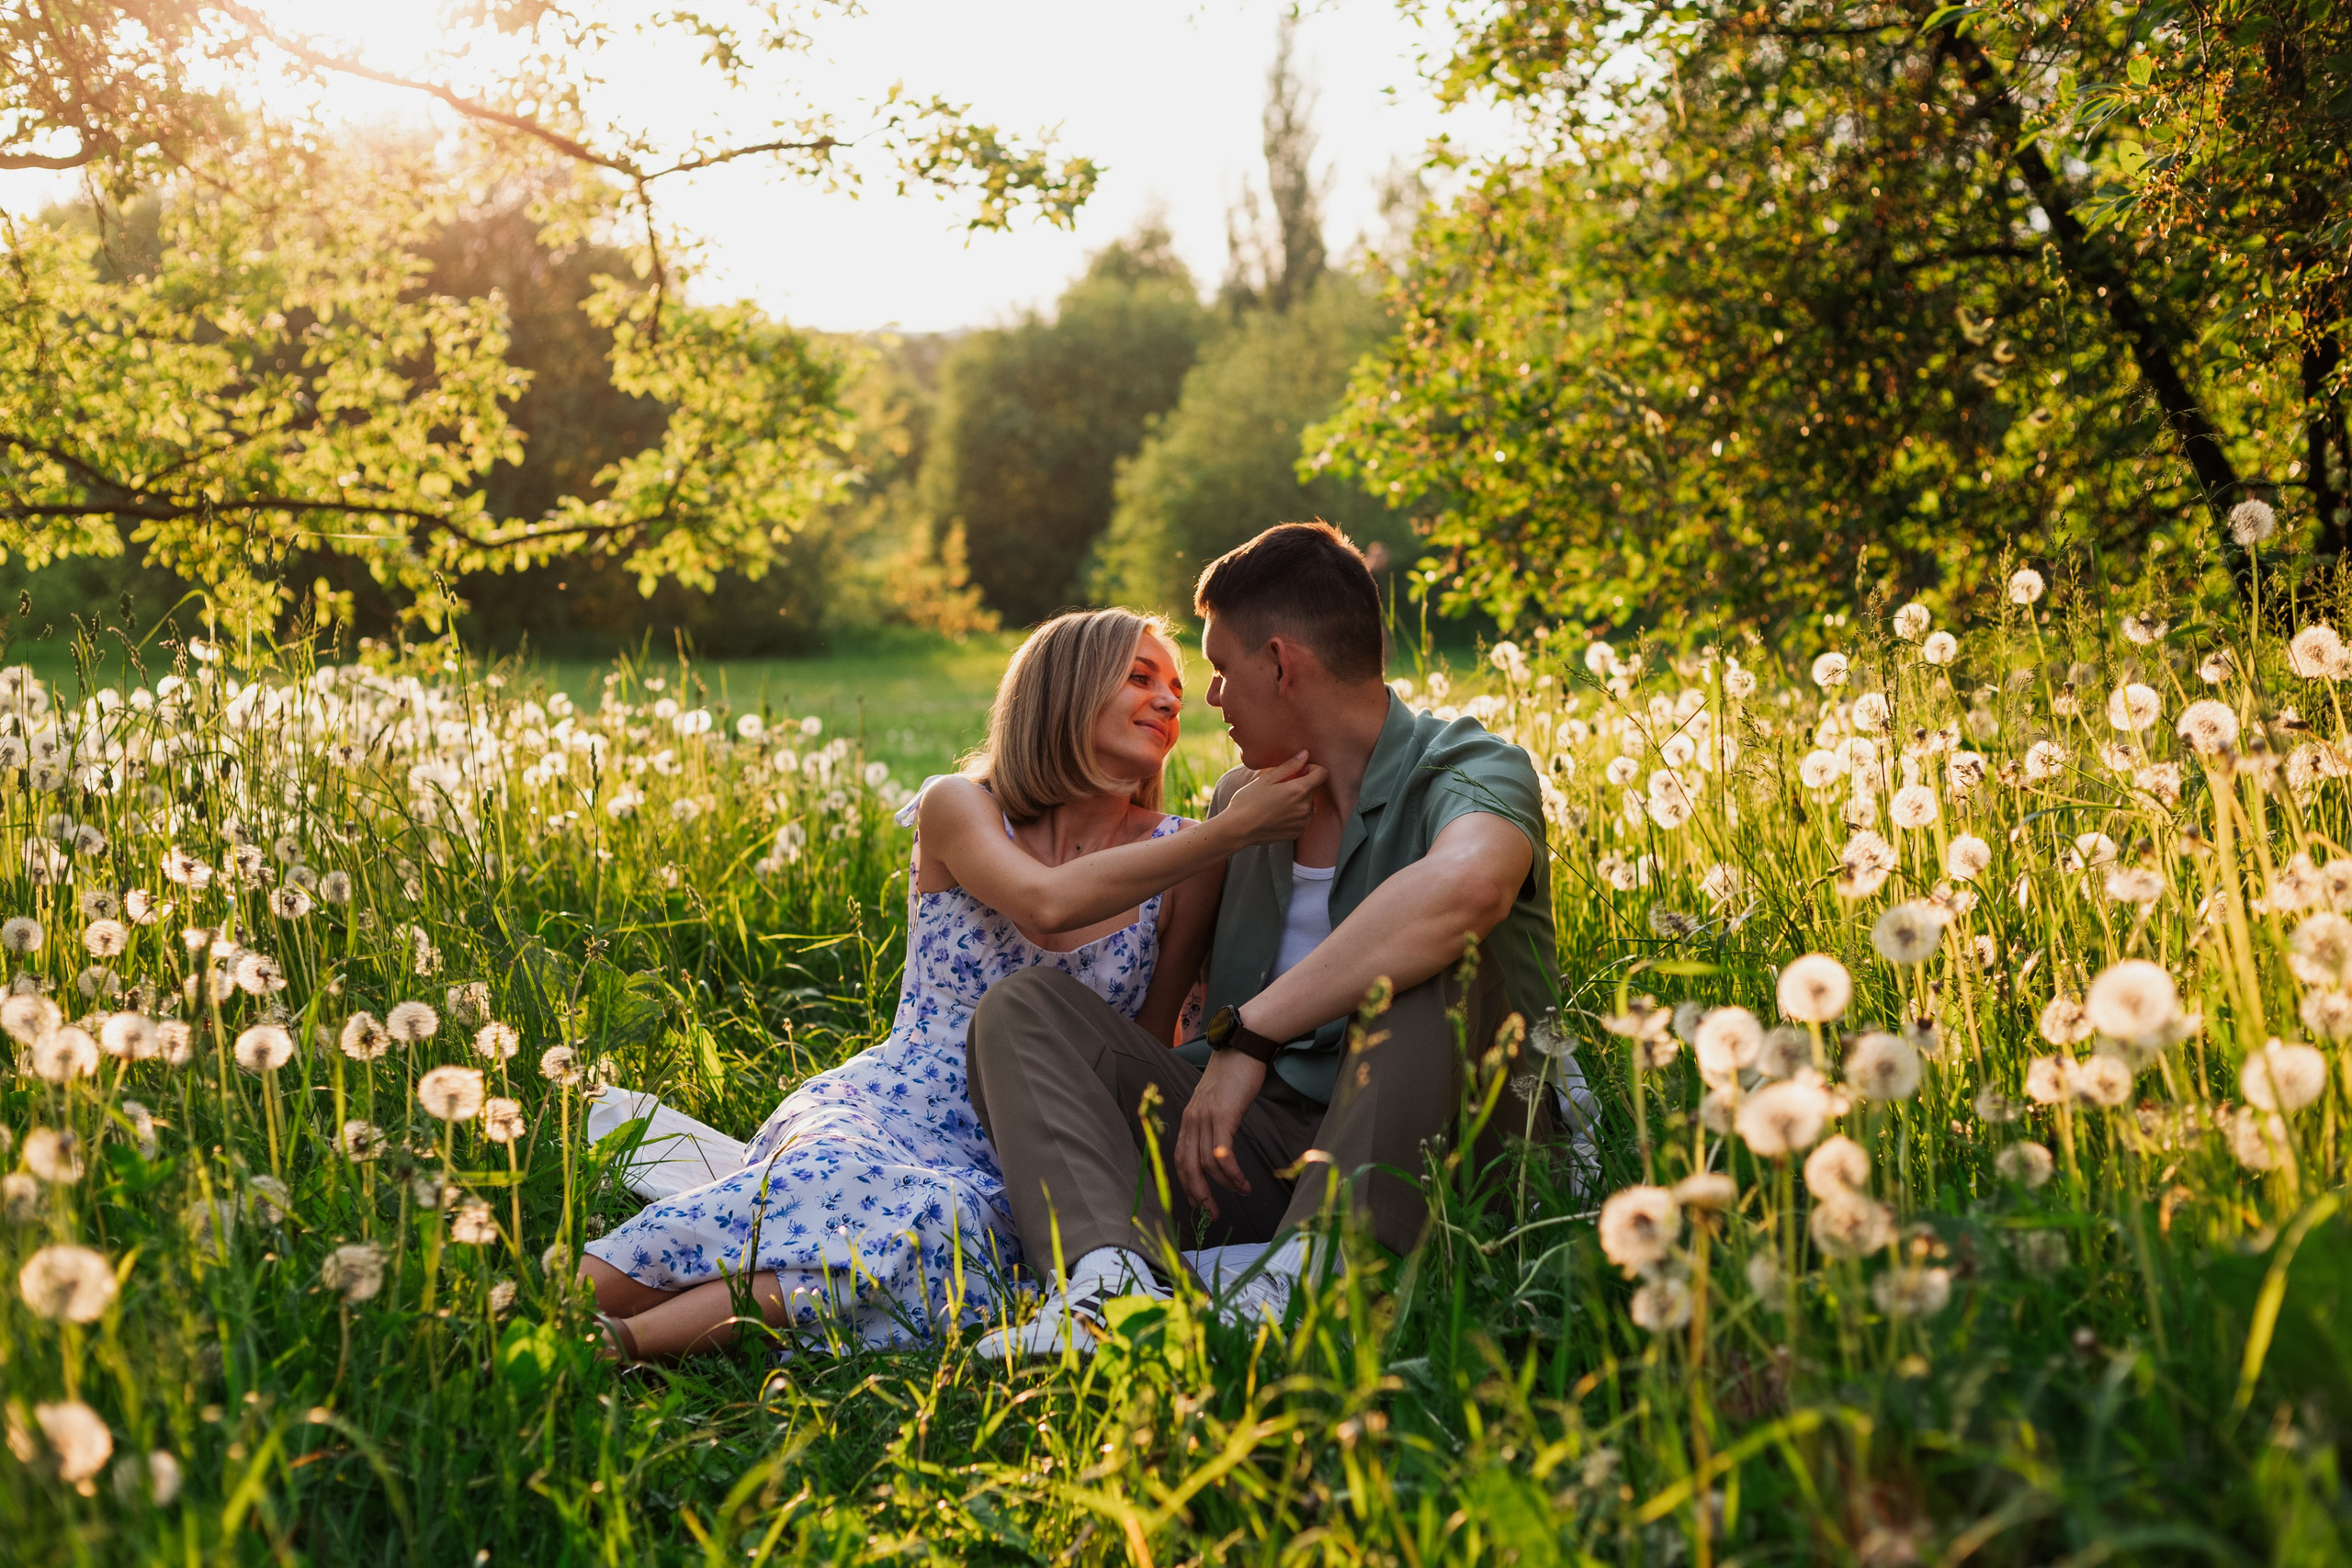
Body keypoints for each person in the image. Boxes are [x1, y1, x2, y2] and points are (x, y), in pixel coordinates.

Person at [580, 607, 1325, 1360]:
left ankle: (621, 1344)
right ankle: (548, 1306)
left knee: (939, 1220)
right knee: (833, 1177)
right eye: (1140, 678)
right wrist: (1229, 828)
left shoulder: (1184, 858)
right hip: (893, 1100)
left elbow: (1141, 1045)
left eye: (1175, 685)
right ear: (1065, 688)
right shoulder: (962, 806)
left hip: (1024, 1142)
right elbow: (1044, 903)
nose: (1171, 701)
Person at [964, 523, 1567, 1355]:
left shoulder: (1472, 766)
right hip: (1254, 1150)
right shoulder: (1242, 800)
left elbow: (1466, 887)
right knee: (1021, 1008)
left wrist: (1248, 1035)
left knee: (1422, 955)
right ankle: (1108, 1284)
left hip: (1435, 1146)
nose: (1208, 700)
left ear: (1282, 665)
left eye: (1218, 670)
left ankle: (1316, 1277)